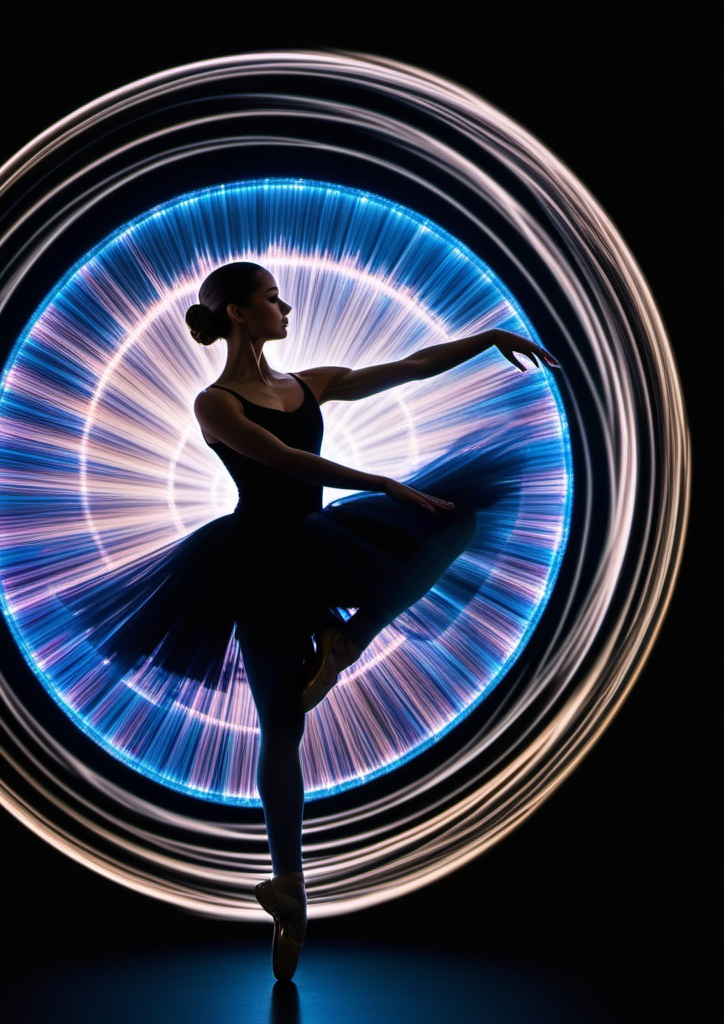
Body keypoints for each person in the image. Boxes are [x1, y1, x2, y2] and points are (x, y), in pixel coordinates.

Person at [180, 261, 559, 982]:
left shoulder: (308, 384)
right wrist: (380, 481)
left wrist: (488, 336)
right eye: (269, 297)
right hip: (258, 565)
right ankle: (290, 889)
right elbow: (286, 460)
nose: (284, 305)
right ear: (235, 314)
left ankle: (350, 636)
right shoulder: (213, 403)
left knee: (456, 521)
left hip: (316, 551)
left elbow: (410, 367)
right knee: (281, 726)